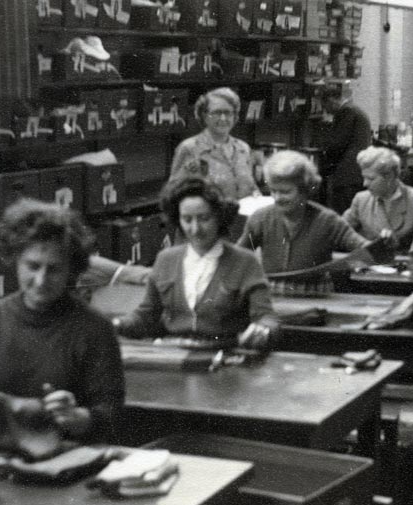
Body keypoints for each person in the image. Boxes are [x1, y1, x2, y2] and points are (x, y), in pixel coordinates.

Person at [0, 199, 124, 444]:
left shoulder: (94, 328)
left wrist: (80, 417)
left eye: (54, 269)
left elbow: (111, 412)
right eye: (33, 266)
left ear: (71, 269)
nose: (41, 280)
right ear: (15, 259)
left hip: (67, 455)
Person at [115, 178, 275, 349]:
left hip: (223, 355)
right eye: (187, 219)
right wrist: (116, 324)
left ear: (219, 217)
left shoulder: (245, 261)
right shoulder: (165, 259)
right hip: (172, 355)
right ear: (177, 219)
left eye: (204, 218)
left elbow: (266, 317)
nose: (195, 229)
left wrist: (263, 331)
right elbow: (146, 315)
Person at [239, 150, 369, 295]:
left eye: (285, 192)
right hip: (271, 297)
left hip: (315, 297)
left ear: (304, 190)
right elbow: (237, 257)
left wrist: (385, 243)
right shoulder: (260, 218)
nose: (277, 198)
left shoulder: (327, 220)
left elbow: (367, 250)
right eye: (273, 191)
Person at [168, 87, 259, 204]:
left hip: (242, 219)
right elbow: (175, 194)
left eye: (228, 113)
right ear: (204, 116)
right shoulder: (189, 148)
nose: (223, 118)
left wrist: (257, 197)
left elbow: (251, 187)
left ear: (235, 116)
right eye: (216, 113)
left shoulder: (243, 148)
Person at [320, 85, 372, 214]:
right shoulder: (356, 110)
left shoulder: (346, 112)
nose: (326, 112)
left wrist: (324, 157)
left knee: (344, 214)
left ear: (331, 100)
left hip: (346, 174)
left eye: (325, 106)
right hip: (358, 171)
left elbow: (337, 144)